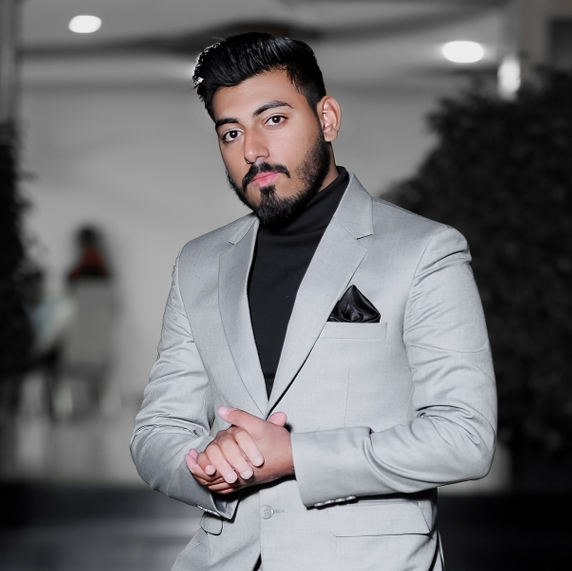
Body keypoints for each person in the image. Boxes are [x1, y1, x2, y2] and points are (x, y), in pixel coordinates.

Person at [131, 32, 496, 571]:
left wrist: (297, 457)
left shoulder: (424, 250)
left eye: (274, 119)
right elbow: (155, 430)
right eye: (231, 132)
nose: (252, 150)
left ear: (327, 119)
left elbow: (465, 437)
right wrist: (206, 464)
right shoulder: (199, 262)